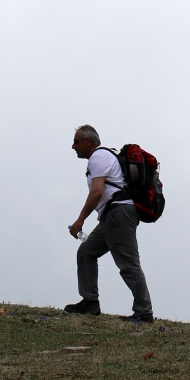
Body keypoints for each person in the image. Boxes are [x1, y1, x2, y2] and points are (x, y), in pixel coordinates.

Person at [65, 125, 153, 322]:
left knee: (128, 264)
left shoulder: (98, 157)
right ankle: (90, 303)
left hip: (118, 214)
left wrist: (80, 220)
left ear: (88, 141)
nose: (73, 146)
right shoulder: (102, 157)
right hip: (110, 216)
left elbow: (97, 192)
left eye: (76, 142)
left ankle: (144, 312)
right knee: (86, 251)